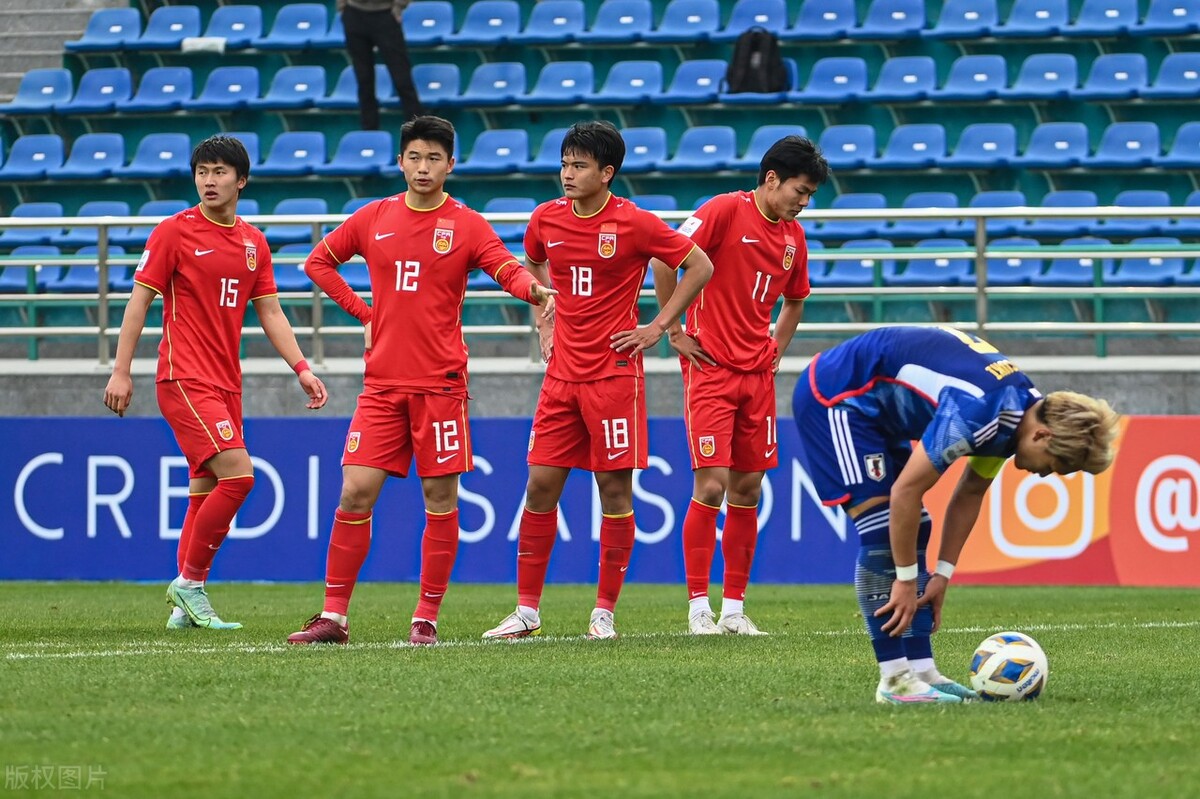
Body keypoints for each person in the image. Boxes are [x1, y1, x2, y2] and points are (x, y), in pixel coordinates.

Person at [286, 115, 556, 647]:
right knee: (355, 492)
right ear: (401, 160)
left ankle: (425, 617)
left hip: (439, 385)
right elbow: (318, 262)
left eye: (434, 158)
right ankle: (333, 618)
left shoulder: (467, 224)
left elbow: (504, 266)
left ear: (450, 164)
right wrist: (365, 315)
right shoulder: (375, 216)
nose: (423, 167)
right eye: (415, 157)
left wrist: (535, 292)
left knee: (439, 498)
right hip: (382, 385)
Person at [791, 326, 1120, 703]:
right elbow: (905, 492)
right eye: (1057, 465)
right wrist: (903, 579)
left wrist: (942, 575)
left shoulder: (1016, 409)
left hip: (880, 411)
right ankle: (895, 681)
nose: (1049, 474)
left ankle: (922, 671)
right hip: (837, 397)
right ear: (1042, 436)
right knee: (882, 528)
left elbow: (970, 491)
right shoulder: (980, 411)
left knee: (918, 526)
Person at [483, 120, 715, 641]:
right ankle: (526, 611)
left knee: (614, 491)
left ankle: (603, 612)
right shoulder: (545, 218)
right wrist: (545, 317)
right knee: (540, 485)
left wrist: (658, 326)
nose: (567, 174)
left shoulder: (634, 223)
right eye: (565, 163)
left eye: (579, 165)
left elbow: (698, 264)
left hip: (613, 375)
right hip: (561, 376)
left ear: (607, 173)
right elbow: (533, 263)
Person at [103, 134, 328, 631]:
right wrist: (122, 370)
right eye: (203, 171)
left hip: (226, 382)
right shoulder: (173, 232)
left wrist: (302, 367)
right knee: (240, 477)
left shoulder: (253, 242)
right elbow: (138, 302)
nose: (210, 179)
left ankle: (182, 607)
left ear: (241, 180)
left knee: (204, 489)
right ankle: (190, 584)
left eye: (220, 171)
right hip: (183, 376)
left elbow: (270, 311)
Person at [651, 135, 829, 637]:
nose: (804, 201)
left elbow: (795, 300)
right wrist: (676, 330)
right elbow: (665, 260)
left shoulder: (794, 237)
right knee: (710, 485)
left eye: (810, 194)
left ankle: (733, 610)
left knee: (748, 489)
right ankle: (696, 610)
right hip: (710, 368)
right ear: (771, 178)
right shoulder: (725, 210)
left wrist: (777, 348)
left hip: (757, 375)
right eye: (801, 189)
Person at [339, 0, 425, 129]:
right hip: (353, 14)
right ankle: (370, 133)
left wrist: (398, 7)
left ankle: (419, 131)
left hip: (385, 14)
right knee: (364, 79)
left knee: (402, 78)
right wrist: (342, 7)